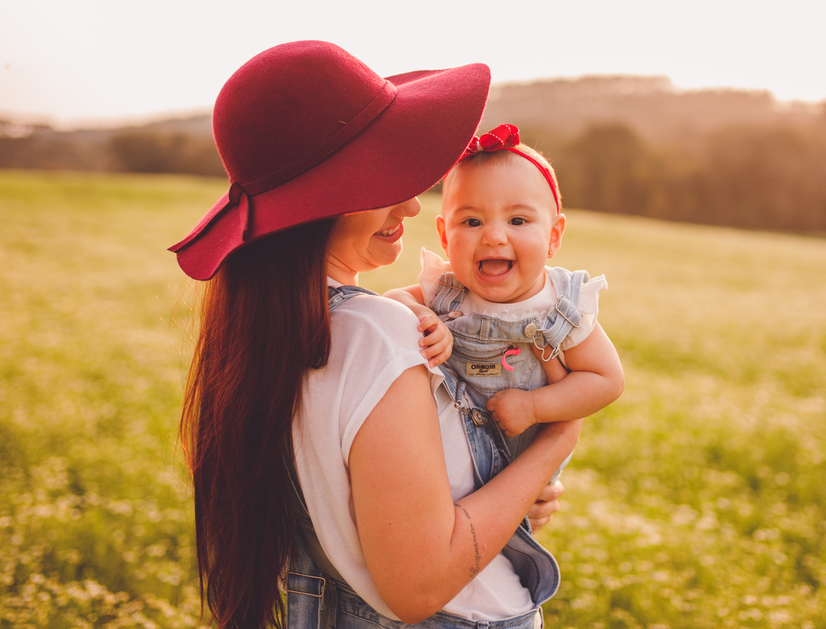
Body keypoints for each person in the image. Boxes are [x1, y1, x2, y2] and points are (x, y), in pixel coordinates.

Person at [171, 41, 580, 629]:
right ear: (319, 205)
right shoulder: (380, 333)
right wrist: (554, 444)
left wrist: (509, 494)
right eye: (379, 180)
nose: (411, 206)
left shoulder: (268, 333)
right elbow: (419, 584)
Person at [385, 124, 623, 468]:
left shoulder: (560, 306)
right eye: (472, 222)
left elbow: (606, 379)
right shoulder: (447, 291)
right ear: (445, 236)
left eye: (518, 220)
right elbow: (393, 298)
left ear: (553, 236)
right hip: (448, 466)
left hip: (519, 469)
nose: (494, 237)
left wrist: (535, 407)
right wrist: (422, 314)